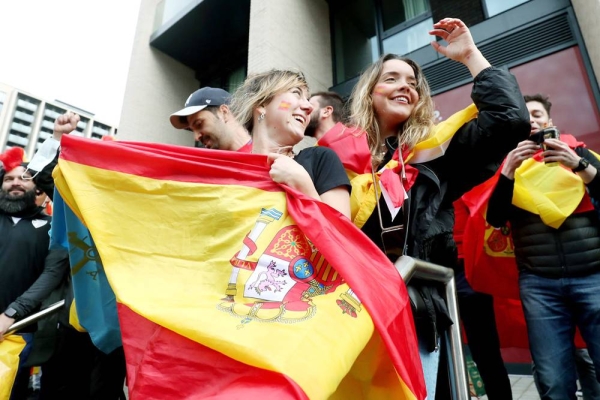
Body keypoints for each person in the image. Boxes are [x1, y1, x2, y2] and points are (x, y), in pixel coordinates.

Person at [335, 18, 530, 398]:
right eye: (391, 78)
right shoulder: (334, 161)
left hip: (419, 314)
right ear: (369, 92)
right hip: (349, 312)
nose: (404, 86)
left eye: (412, 82)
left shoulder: (434, 154)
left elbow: (510, 120)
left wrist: (471, 57)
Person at [487, 93, 600, 400]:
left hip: (593, 277)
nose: (532, 120)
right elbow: (495, 218)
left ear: (549, 122)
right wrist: (508, 170)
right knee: (553, 379)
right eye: (525, 117)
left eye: (536, 114)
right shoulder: (510, 168)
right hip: (540, 285)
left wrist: (577, 163)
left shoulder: (580, 153)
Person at [23, 112, 127, 400]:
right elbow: (48, 177)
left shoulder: (140, 220)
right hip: (72, 322)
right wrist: (59, 137)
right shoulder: (84, 207)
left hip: (117, 328)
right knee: (58, 390)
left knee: (102, 393)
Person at [229, 69, 351, 218]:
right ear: (262, 104)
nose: (309, 107)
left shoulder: (320, 160)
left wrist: (303, 185)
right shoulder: (231, 175)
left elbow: (342, 237)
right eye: (296, 93)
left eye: (307, 99)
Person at [0, 147, 68, 400]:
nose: (16, 182)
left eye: (24, 178)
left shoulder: (52, 229)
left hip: (18, 329)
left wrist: (10, 315)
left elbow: (51, 274)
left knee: (10, 390)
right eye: (9, 178)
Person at [170, 87, 252, 151]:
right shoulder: (209, 169)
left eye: (199, 124)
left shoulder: (263, 155)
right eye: (192, 130)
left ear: (224, 112)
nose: (196, 137)